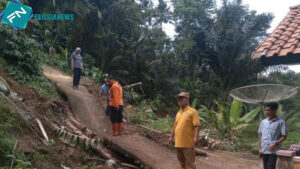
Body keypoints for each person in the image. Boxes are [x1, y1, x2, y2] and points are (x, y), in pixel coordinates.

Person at [168, 92, 200, 169]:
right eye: (179, 99)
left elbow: (197, 125)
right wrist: (171, 137)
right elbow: (175, 126)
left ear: (187, 100)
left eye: (182, 98)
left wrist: (196, 137)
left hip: (188, 143)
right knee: (182, 163)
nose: (179, 100)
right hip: (178, 142)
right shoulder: (178, 113)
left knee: (190, 164)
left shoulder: (193, 111)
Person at [258, 102, 287, 169]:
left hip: (273, 151)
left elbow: (284, 136)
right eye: (266, 110)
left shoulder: (281, 122)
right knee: (265, 167)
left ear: (274, 110)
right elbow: (261, 135)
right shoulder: (263, 122)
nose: (266, 112)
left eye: (268, 110)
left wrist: (275, 144)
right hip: (264, 149)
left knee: (271, 167)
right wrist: (260, 147)